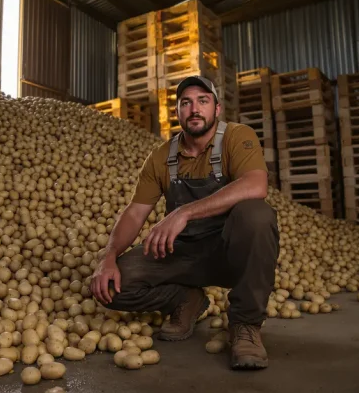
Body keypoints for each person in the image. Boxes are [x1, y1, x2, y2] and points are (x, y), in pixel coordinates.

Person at [89, 75, 280, 370]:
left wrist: (184, 212)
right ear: (177, 112)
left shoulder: (236, 137)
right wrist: (108, 257)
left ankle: (246, 326)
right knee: (112, 287)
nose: (194, 109)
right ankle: (185, 298)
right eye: (186, 103)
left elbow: (256, 184)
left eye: (203, 101)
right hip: (182, 255)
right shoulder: (162, 157)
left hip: (228, 253)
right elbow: (135, 212)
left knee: (257, 214)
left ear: (216, 109)